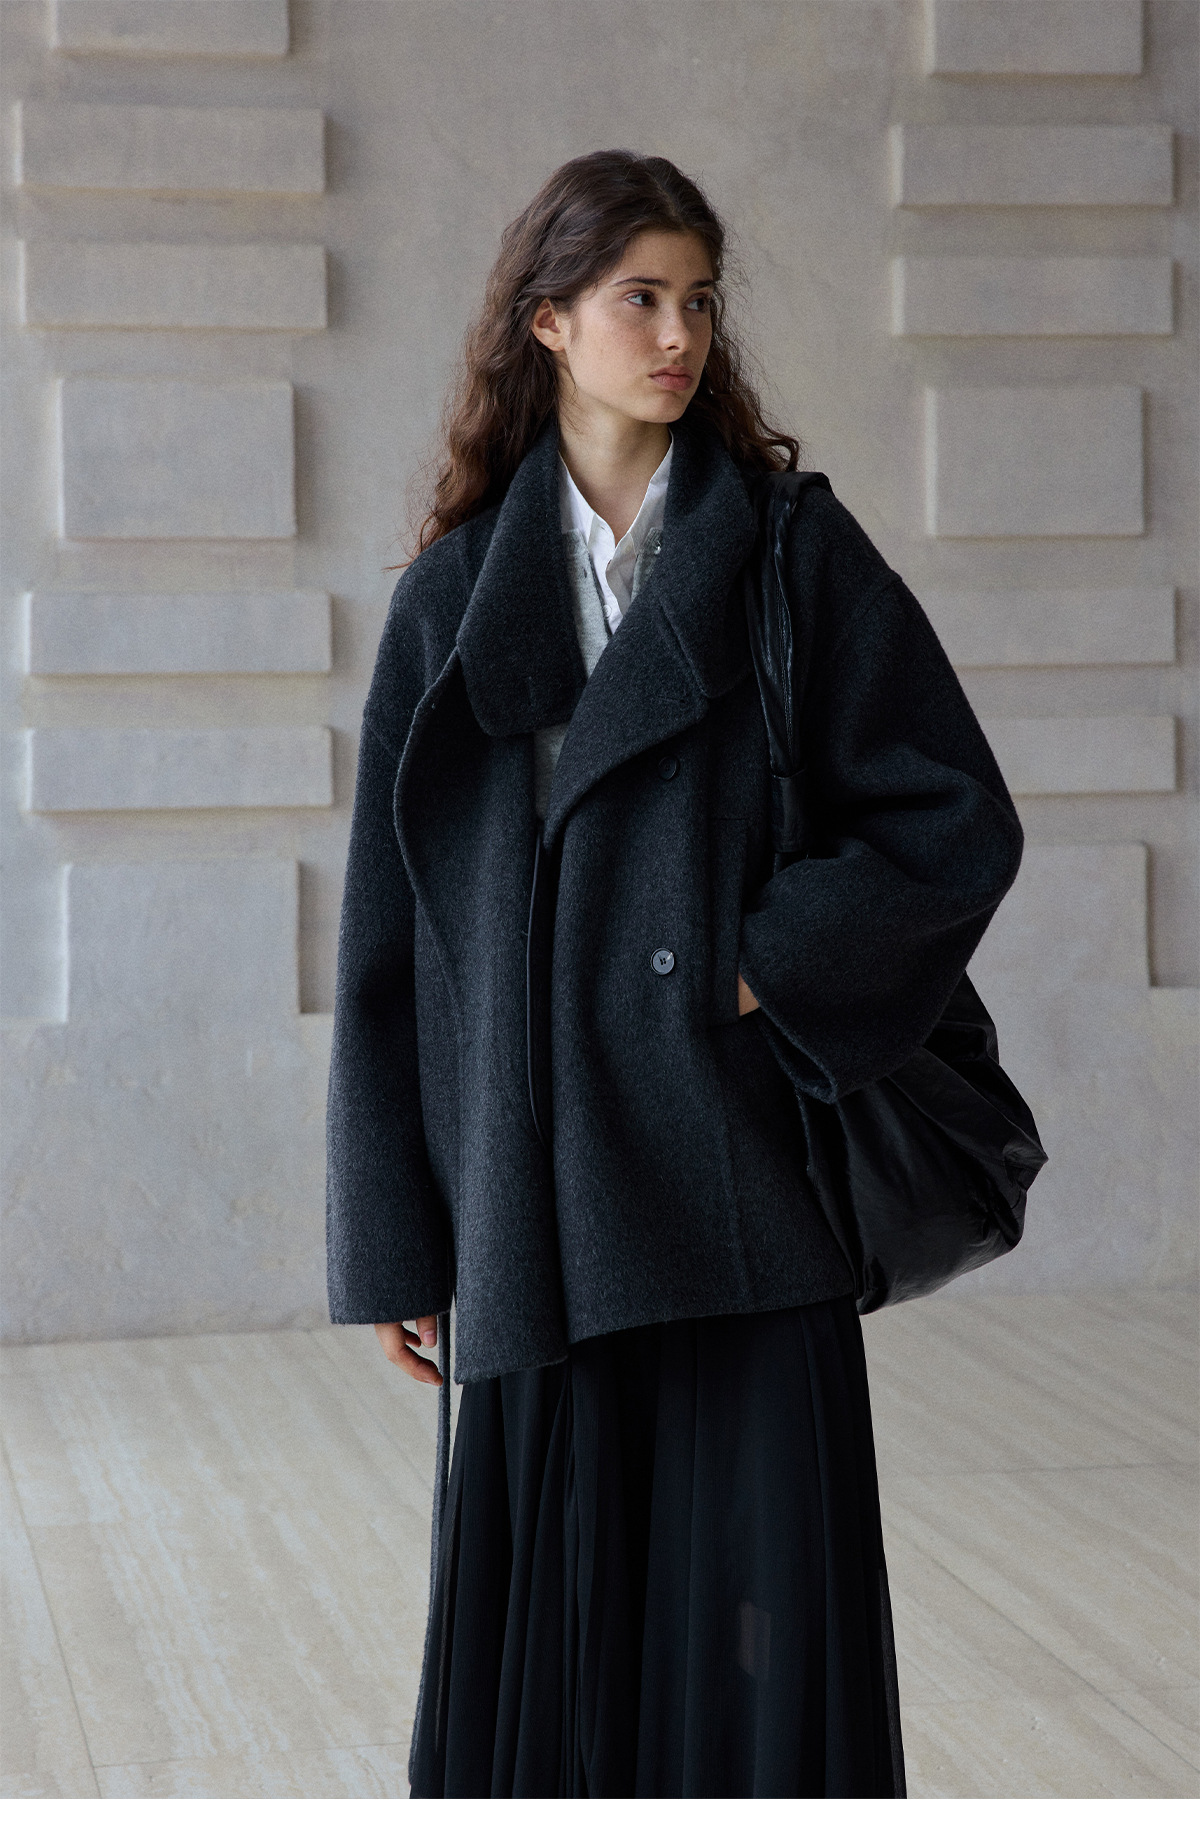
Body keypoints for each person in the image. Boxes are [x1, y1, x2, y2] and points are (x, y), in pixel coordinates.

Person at [325, 150, 1023, 1798]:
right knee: (562, 1665)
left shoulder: (787, 556)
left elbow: (953, 818)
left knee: (760, 1650)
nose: (679, 335)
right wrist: (397, 1233)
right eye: (639, 298)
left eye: (699, 300)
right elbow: (389, 945)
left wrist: (754, 967)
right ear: (548, 323)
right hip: (532, 1209)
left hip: (739, 1190)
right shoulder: (453, 597)